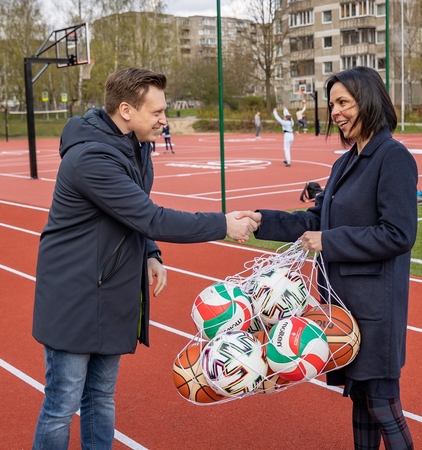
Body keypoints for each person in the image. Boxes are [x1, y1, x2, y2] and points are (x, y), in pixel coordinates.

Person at [31, 68, 256, 450]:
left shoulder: (135, 145)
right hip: (74, 294)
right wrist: (222, 224)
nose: (164, 120)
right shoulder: (91, 158)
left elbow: (133, 212)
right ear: (125, 110)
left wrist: (149, 250)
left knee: (101, 396)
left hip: (110, 290)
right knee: (63, 404)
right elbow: (149, 215)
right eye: (157, 112)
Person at [240, 66, 417, 449]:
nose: (335, 112)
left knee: (383, 403)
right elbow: (315, 220)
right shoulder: (345, 161)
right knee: (360, 399)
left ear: (367, 102)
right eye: (332, 103)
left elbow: (398, 234)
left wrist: (330, 241)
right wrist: (261, 221)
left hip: (376, 308)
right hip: (342, 306)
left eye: (344, 103)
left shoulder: (393, 157)